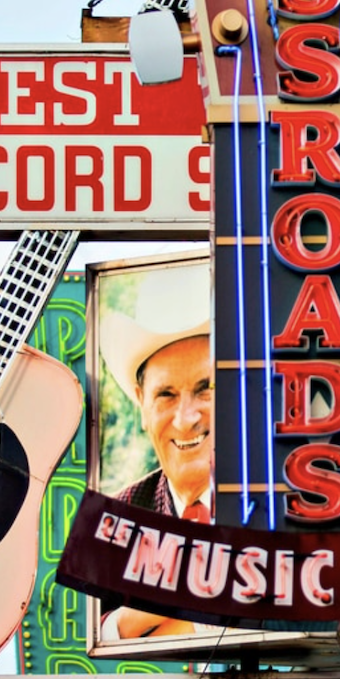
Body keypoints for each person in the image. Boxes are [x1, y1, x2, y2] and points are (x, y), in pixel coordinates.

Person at [97, 261, 214, 640]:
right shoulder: (117, 519)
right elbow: (97, 639)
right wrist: (132, 617)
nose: (186, 418)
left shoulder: (292, 498)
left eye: (206, 388)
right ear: (141, 405)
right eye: (166, 395)